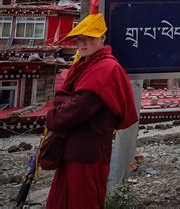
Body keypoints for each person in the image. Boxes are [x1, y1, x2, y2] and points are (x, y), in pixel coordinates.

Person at [45, 13, 138, 209]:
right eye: (79, 40)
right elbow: (67, 98)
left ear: (102, 38)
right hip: (72, 149)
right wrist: (64, 101)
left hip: (88, 152)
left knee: (84, 202)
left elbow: (80, 108)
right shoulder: (87, 65)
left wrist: (52, 116)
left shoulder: (106, 68)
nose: (83, 44)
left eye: (89, 38)